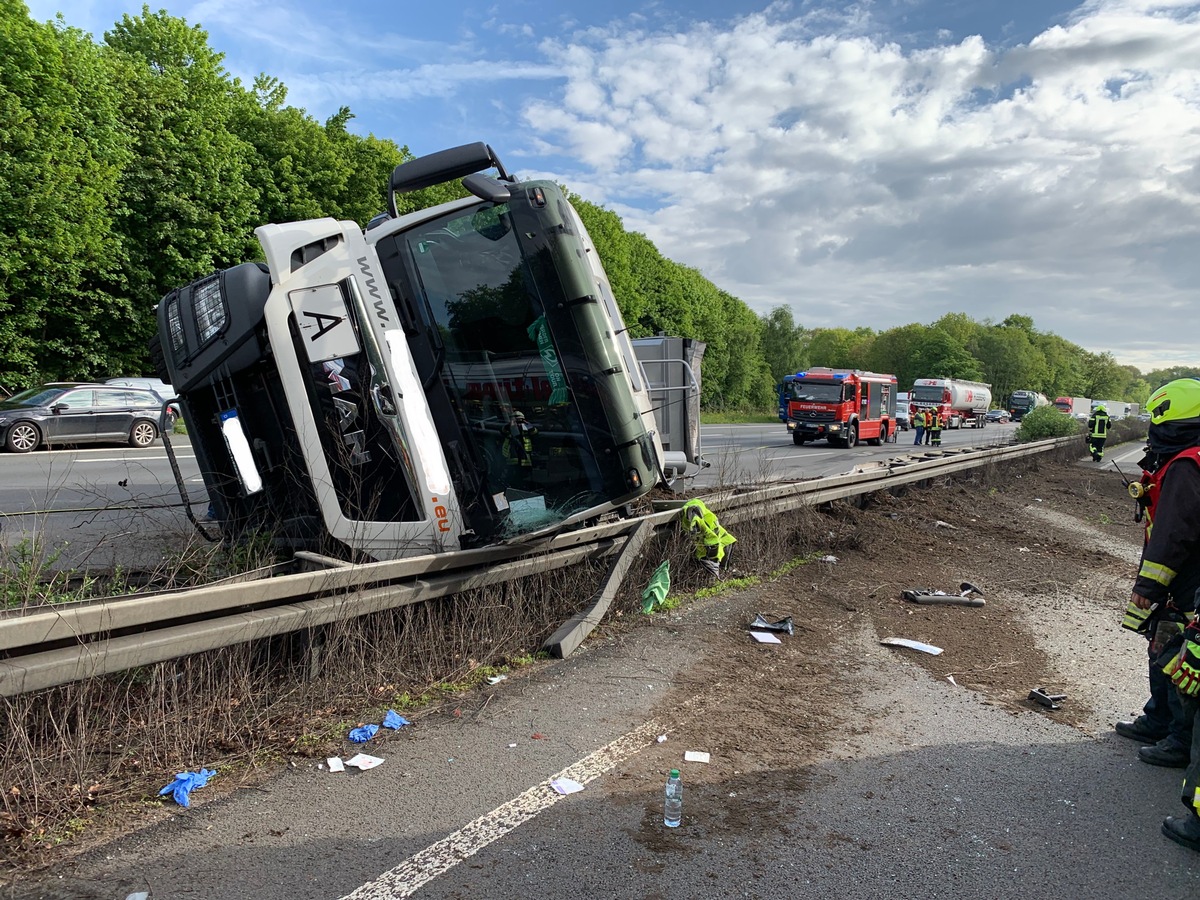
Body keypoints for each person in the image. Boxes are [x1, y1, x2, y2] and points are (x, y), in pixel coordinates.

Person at [1122, 379, 1200, 851]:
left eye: (1157, 422)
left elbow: (1173, 534)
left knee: (1176, 656)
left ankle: (1175, 735)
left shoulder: (1187, 466)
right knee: (1165, 648)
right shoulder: (1183, 459)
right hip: (1184, 580)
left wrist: (1148, 588)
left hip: (1183, 583)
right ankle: (1159, 719)